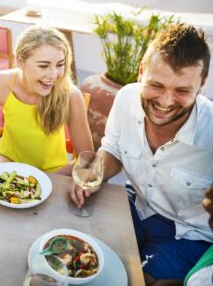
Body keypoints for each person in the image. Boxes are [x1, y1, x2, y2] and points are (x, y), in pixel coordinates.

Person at [67, 23, 213, 283]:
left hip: (188, 236)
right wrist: (96, 173)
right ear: (141, 72)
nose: (166, 102)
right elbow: (112, 148)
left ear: (201, 86)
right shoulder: (125, 98)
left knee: (128, 279)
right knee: (81, 257)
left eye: (182, 90)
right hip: (136, 206)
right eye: (156, 85)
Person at [0, 25, 93, 173]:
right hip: (6, 161)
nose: (54, 75)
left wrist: (47, 178)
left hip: (52, 173)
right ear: (20, 61)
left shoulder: (71, 95)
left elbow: (87, 157)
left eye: (60, 65)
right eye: (43, 66)